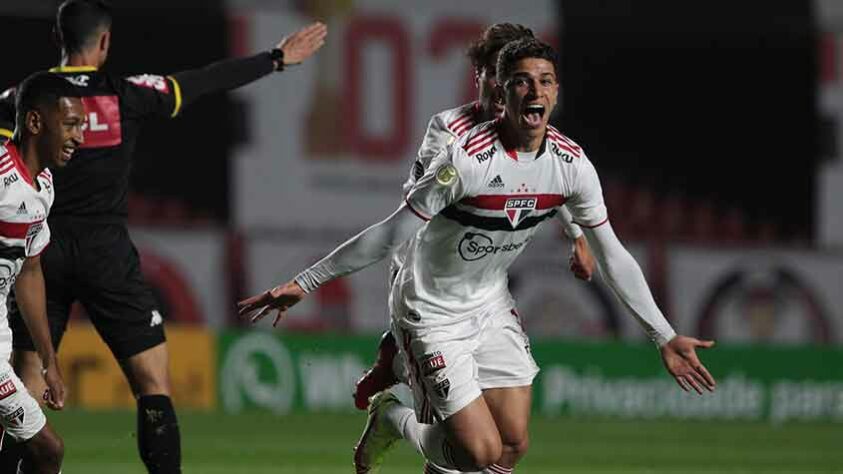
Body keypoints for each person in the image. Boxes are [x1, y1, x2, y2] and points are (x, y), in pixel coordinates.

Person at [238, 37, 717, 473]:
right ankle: (393, 418)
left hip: (489, 304)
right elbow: (390, 234)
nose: (536, 91)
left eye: (546, 82)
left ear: (556, 93)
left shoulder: (571, 164)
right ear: (502, 94)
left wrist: (663, 336)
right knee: (476, 452)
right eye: (523, 82)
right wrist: (306, 281)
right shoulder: (465, 159)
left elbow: (612, 254)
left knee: (513, 445)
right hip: (430, 311)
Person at [0, 1, 326, 473]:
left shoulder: (26, 99)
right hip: (105, 252)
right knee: (152, 383)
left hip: (38, 253)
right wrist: (273, 60)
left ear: (57, 39)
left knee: (27, 386)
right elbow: (202, 80)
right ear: (106, 42)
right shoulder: (124, 93)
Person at [352, 23, 596, 414]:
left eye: (510, 81)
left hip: (479, 277)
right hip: (427, 257)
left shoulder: (528, 131)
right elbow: (418, 206)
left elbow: (547, 176)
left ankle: (395, 365)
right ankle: (394, 376)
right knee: (444, 421)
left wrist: (576, 235)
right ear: (479, 77)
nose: (502, 93)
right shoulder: (449, 129)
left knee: (491, 421)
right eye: (494, 80)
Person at [0, 71, 84, 474]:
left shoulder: (44, 186)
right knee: (47, 450)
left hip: (1, 332)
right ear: (35, 122)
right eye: (70, 124)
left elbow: (29, 272)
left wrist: (49, 361)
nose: (79, 137)